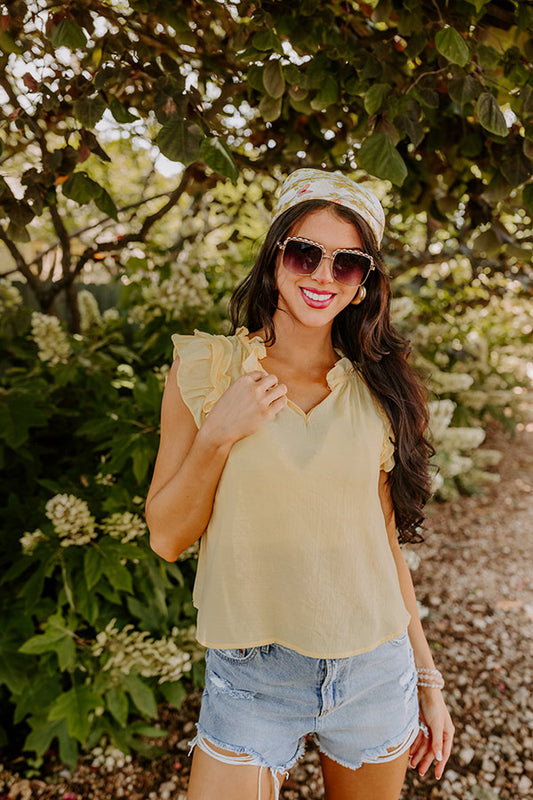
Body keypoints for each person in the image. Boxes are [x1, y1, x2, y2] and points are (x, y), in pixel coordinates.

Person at [145, 168, 454, 800]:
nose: (321, 276)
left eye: (345, 264)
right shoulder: (207, 369)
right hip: (253, 677)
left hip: (374, 666)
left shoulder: (381, 388)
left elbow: (385, 546)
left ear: (364, 284)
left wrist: (427, 678)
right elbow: (166, 536)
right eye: (305, 252)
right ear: (275, 256)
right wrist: (218, 434)